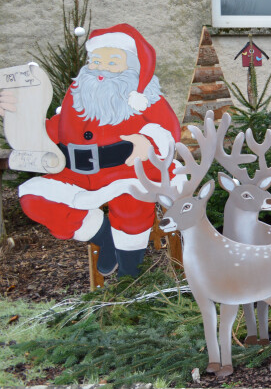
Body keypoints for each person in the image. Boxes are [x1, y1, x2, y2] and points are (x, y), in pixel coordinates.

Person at [3, 24, 180, 277]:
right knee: (34, 198)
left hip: (128, 169)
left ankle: (130, 274)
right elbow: (53, 130)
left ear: (132, 66)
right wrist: (16, 113)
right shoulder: (78, 94)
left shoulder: (145, 99)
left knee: (132, 207)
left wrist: (149, 142)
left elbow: (169, 131)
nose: (100, 69)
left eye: (112, 62)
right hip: (77, 172)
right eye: (96, 61)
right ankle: (102, 235)